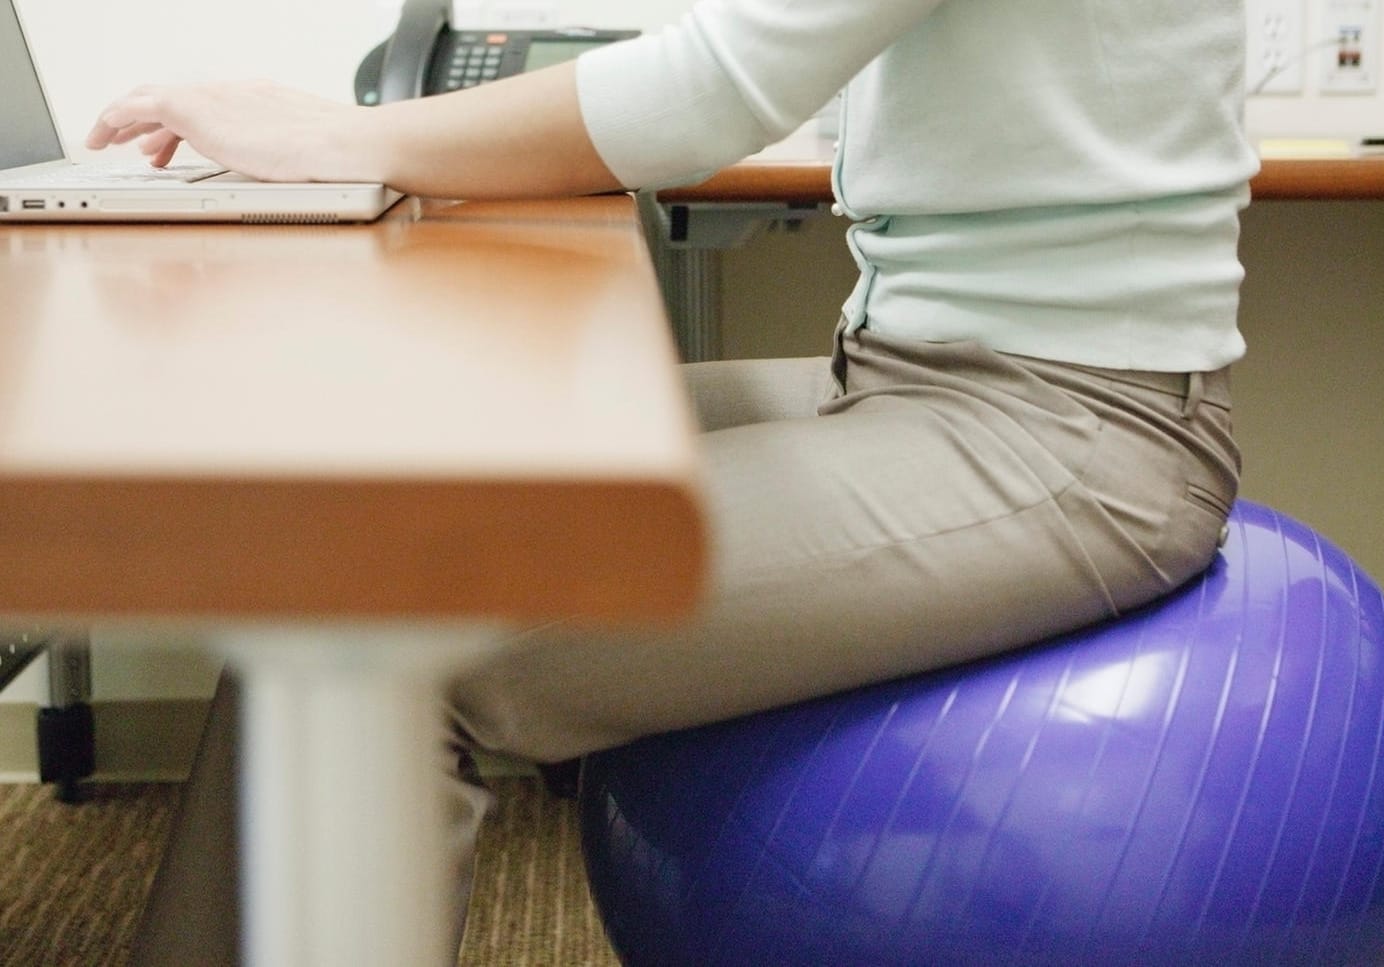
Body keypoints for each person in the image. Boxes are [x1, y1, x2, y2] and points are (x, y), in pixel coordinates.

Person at [89, 0, 1255, 961]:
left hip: (1070, 439)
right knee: (378, 514)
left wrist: (338, 135)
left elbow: (708, 94)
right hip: (907, 381)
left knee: (385, 632)